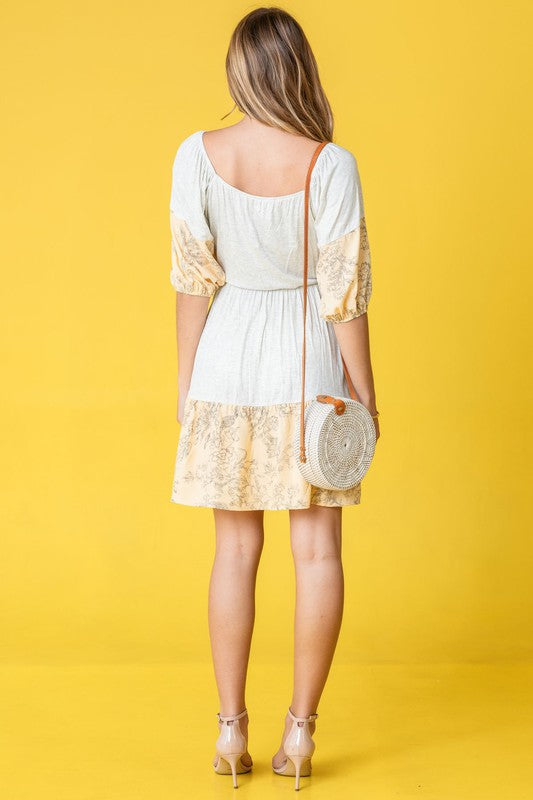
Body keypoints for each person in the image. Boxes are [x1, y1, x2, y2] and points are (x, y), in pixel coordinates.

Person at [168, 6, 380, 790]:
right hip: (307, 368)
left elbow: (192, 282)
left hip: (225, 362)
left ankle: (230, 734)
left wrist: (188, 388)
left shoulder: (196, 154)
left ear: (238, 70)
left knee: (232, 551)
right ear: (299, 69)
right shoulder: (331, 163)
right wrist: (364, 394)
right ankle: (301, 735)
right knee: (317, 552)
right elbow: (344, 297)